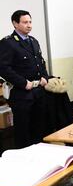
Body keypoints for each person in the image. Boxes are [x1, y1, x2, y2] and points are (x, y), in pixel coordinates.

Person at [0, 10, 49, 149]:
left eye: (30, 22)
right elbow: (3, 68)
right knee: (24, 132)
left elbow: (41, 62)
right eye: (25, 22)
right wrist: (23, 83)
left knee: (39, 128)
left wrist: (44, 76)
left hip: (38, 92)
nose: (29, 25)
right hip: (22, 94)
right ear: (15, 24)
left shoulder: (33, 41)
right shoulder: (8, 43)